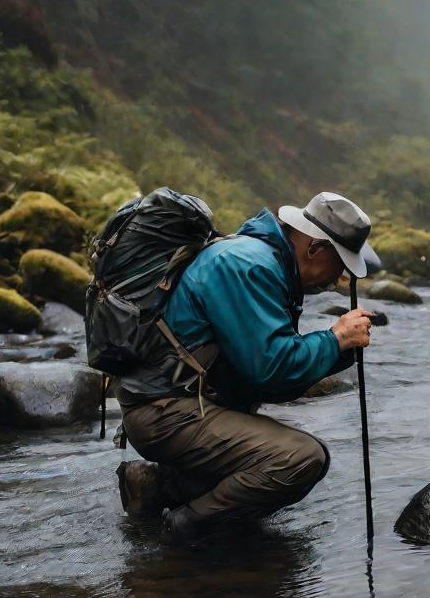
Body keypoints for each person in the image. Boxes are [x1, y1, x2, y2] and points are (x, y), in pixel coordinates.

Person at [114, 191, 378, 543]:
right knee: (301, 459)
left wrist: (337, 347)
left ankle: (152, 487)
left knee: (266, 451)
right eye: (340, 266)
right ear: (315, 248)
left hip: (179, 403)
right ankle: (185, 527)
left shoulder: (263, 260)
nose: (338, 280)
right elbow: (273, 370)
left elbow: (271, 384)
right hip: (164, 411)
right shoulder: (248, 265)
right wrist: (336, 340)